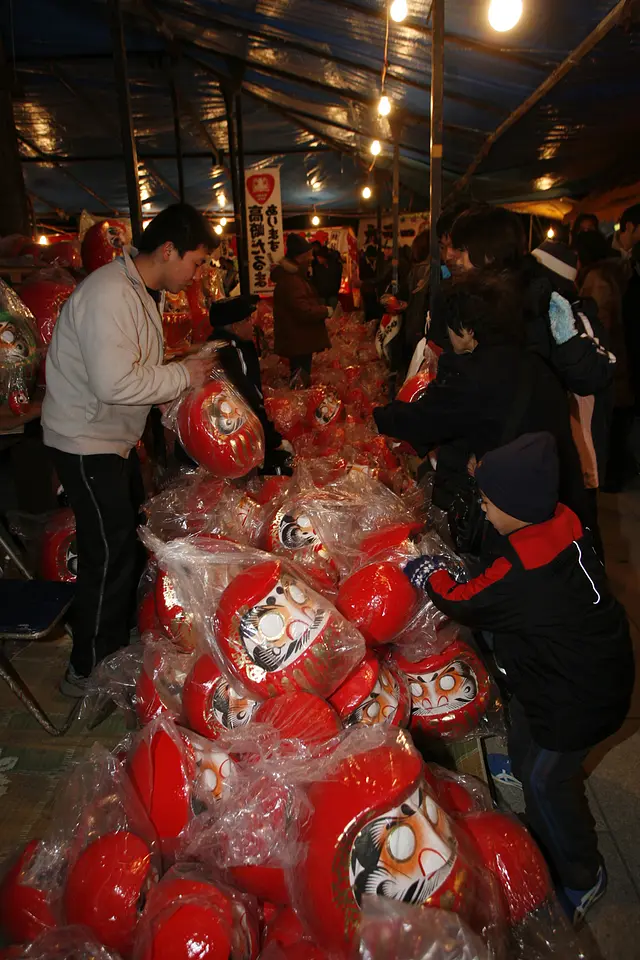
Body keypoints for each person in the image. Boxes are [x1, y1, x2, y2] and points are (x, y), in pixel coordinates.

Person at [405, 432, 634, 925]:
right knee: (527, 723)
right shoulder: (562, 523)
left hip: (580, 698)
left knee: (548, 780)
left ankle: (581, 874)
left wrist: (429, 576)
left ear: (516, 505)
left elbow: (466, 599)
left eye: (488, 502)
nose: (483, 510)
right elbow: (499, 576)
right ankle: (529, 774)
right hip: (568, 671)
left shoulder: (525, 572)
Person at [42, 203, 218, 696]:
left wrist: (179, 369)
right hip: (84, 441)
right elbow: (115, 381)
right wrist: (183, 375)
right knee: (108, 551)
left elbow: (135, 363)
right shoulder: (109, 293)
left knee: (125, 542)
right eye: (196, 262)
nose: (197, 274)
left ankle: (112, 641)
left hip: (110, 438)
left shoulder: (142, 290)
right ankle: (87, 667)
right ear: (168, 250)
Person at [373, 275, 588, 530]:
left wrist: (377, 418)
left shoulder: (474, 374)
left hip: (507, 507)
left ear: (467, 330)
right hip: (552, 500)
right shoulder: (533, 363)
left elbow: (428, 419)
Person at [575, 230, 634, 490]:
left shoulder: (597, 280)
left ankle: (611, 478)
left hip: (610, 363)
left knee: (607, 428)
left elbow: (600, 323)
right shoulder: (610, 274)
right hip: (617, 361)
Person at [272, 234, 332, 385]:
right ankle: (301, 408)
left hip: (299, 340)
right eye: (309, 255)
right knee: (300, 382)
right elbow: (303, 311)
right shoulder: (292, 281)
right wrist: (325, 311)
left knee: (300, 378)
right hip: (299, 341)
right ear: (300, 257)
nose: (312, 258)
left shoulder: (295, 278)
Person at [311, 244, 343, 309]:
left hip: (332, 294)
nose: (318, 259)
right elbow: (316, 280)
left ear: (324, 257)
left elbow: (337, 279)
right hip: (321, 295)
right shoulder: (317, 267)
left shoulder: (334, 266)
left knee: (333, 308)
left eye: (319, 258)